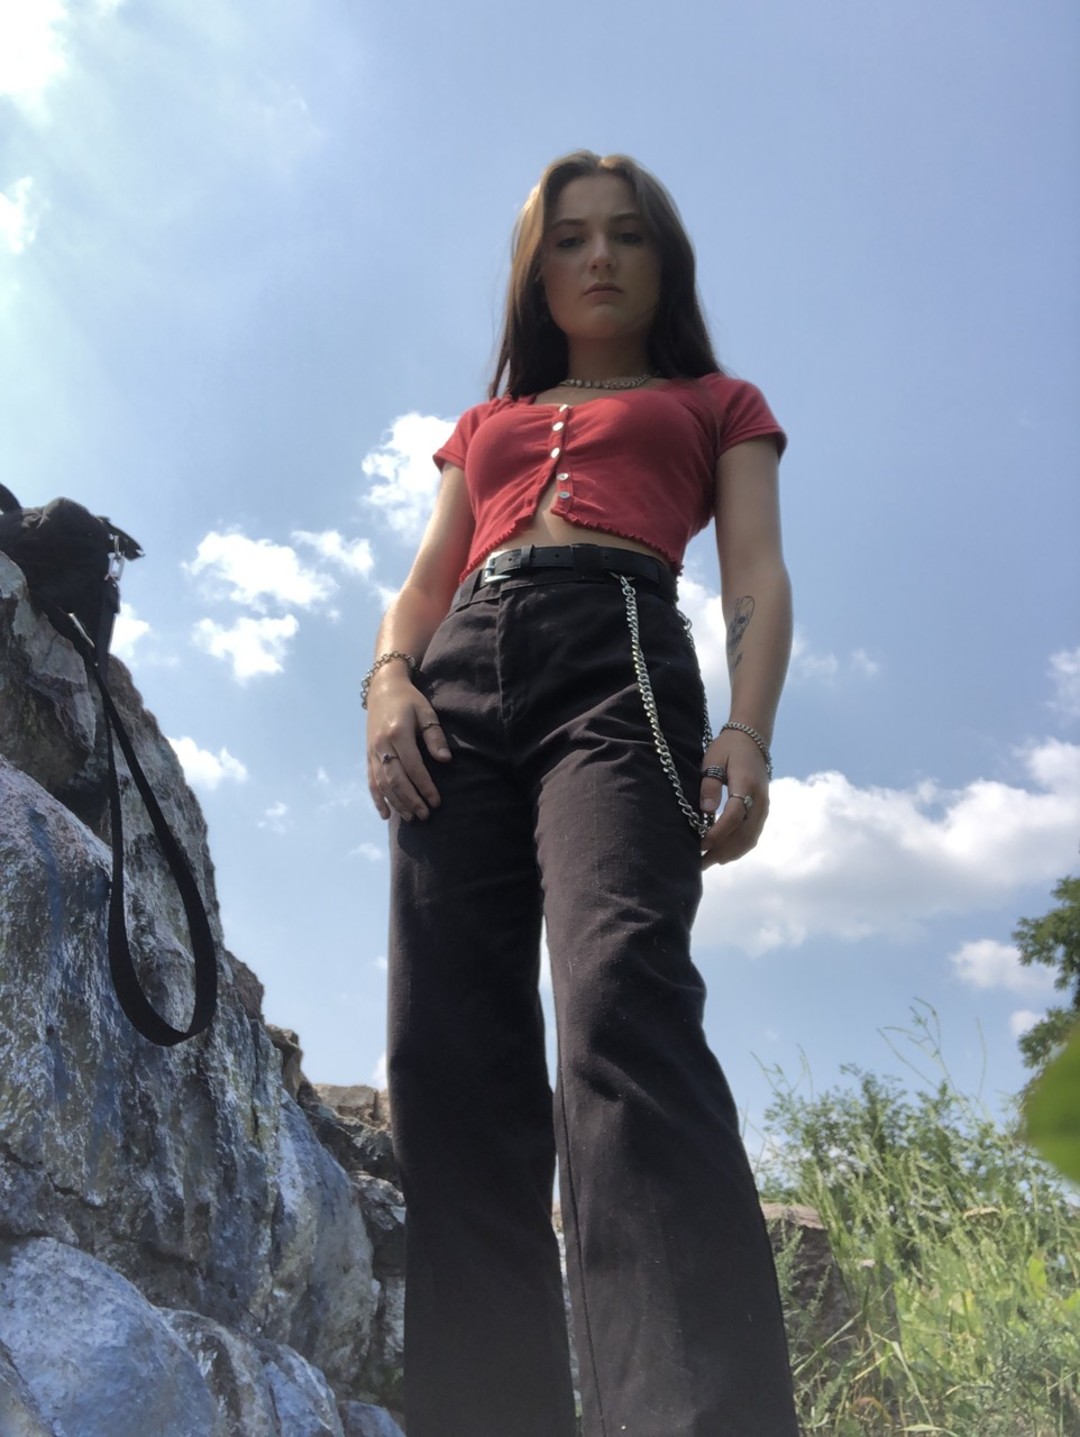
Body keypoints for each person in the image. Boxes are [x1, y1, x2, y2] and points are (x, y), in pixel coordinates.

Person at [364, 150, 799, 1437]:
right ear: (535, 272)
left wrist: (749, 729)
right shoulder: (484, 426)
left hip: (619, 657)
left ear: (664, 259)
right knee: (445, 1051)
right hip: (456, 683)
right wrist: (388, 684)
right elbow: (425, 580)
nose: (598, 256)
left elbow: (758, 574)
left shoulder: (718, 402)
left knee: (620, 997)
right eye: (568, 239)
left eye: (625, 234)